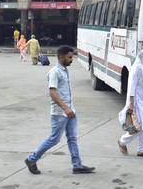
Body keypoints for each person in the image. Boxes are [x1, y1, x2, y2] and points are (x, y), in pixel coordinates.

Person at [25, 46, 95, 175]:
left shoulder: (64, 71)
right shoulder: (55, 72)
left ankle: (77, 165)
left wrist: (70, 109)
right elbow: (52, 92)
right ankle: (31, 159)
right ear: (61, 57)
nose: (71, 59)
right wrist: (65, 108)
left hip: (70, 111)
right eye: (69, 57)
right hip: (60, 113)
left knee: (72, 138)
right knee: (54, 139)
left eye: (72, 57)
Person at [118, 48, 143, 158]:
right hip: (138, 103)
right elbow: (132, 86)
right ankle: (122, 141)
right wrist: (131, 103)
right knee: (139, 127)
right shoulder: (137, 68)